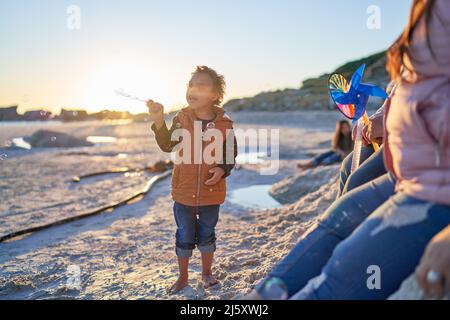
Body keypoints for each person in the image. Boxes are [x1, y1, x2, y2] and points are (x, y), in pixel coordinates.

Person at [244, 0, 450, 300]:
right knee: (328, 231)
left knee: (334, 283)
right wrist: (381, 119)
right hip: (404, 176)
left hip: (435, 196)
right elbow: (409, 88)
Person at [147, 66, 238, 294]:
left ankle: (206, 273)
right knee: (184, 234)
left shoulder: (225, 124)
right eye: (191, 84)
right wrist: (159, 120)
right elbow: (167, 144)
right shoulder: (182, 118)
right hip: (184, 191)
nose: (193, 89)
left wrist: (222, 169)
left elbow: (231, 153)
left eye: (201, 85)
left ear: (215, 95)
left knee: (207, 234)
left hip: (211, 191)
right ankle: (183, 276)